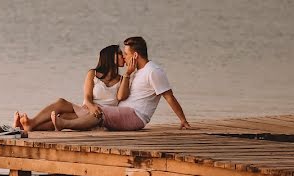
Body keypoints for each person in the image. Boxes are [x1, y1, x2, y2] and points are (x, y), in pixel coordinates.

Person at [49, 36, 192, 132]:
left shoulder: (153, 71)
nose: (124, 57)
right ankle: (40, 125)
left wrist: (183, 120)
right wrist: (127, 74)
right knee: (76, 112)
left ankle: (64, 125)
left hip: (136, 116)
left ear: (135, 55)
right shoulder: (137, 71)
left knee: (99, 111)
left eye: (126, 53)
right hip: (123, 112)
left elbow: (169, 97)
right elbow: (121, 96)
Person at [13, 45, 129, 132]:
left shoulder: (122, 79)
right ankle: (31, 123)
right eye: (119, 53)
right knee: (61, 102)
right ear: (110, 57)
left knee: (64, 117)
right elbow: (87, 97)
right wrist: (91, 106)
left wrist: (129, 72)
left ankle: (25, 126)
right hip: (88, 108)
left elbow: (121, 97)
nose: (123, 56)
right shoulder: (92, 74)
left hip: (101, 116)